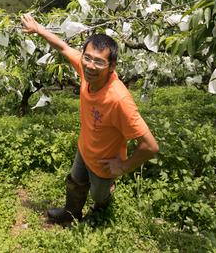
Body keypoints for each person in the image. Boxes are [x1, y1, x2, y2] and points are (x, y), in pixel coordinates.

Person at [20, 13, 159, 225]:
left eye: (99, 62)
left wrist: (124, 166)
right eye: (87, 57)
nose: (91, 65)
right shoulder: (86, 69)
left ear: (112, 66)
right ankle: (71, 214)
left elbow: (150, 146)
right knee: (74, 182)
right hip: (84, 149)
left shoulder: (119, 100)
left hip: (104, 162)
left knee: (99, 195)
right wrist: (38, 29)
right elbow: (63, 47)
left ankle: (98, 216)